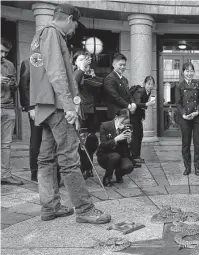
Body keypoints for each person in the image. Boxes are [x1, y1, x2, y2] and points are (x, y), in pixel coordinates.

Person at [29, 4, 110, 224]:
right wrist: (69, 107)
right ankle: (84, 208)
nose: (74, 30)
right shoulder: (54, 34)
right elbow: (57, 73)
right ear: (70, 19)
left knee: (46, 158)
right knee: (69, 158)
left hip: (45, 105)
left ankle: (50, 206)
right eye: (75, 25)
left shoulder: (40, 34)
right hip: (57, 105)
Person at [103, 53, 139, 167]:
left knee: (126, 137)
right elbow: (114, 96)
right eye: (120, 65)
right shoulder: (109, 78)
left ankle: (127, 161)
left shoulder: (124, 79)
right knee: (116, 139)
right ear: (114, 64)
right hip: (115, 114)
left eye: (124, 65)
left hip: (125, 114)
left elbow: (128, 95)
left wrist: (132, 103)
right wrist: (128, 105)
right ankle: (115, 163)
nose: (122, 67)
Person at [73, 51, 100, 179]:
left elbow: (99, 89)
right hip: (80, 112)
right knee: (80, 142)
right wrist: (82, 69)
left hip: (91, 111)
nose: (83, 62)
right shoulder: (74, 73)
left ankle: (88, 167)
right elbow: (74, 84)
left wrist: (93, 77)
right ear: (75, 62)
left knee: (91, 141)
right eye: (80, 59)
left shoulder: (88, 74)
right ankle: (81, 168)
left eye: (85, 59)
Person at [176, 62, 199, 176]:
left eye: (191, 71)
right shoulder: (179, 86)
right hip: (185, 118)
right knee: (186, 143)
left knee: (198, 143)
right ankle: (187, 167)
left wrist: (197, 111)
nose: (189, 73)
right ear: (183, 73)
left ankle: (197, 167)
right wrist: (183, 114)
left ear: (194, 72)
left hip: (198, 117)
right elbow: (178, 103)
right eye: (187, 71)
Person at [1, 37, 23, 185]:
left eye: (5, 52)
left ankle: (5, 174)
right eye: (0, 51)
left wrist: (13, 83)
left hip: (8, 108)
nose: (2, 55)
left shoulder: (9, 65)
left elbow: (15, 88)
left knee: (6, 144)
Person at [97, 109, 134, 186]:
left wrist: (129, 141)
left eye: (126, 123)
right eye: (122, 122)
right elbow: (103, 145)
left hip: (120, 155)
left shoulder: (126, 128)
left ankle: (118, 174)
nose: (123, 125)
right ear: (116, 118)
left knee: (129, 167)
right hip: (105, 155)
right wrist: (116, 139)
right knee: (115, 156)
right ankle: (107, 177)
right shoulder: (105, 126)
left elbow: (128, 151)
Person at [130, 76, 156, 164]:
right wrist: (147, 103)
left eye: (152, 84)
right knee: (136, 136)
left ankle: (137, 156)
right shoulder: (140, 91)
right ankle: (134, 156)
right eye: (148, 84)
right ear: (145, 84)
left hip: (138, 117)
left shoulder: (148, 92)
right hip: (133, 116)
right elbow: (136, 103)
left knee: (139, 135)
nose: (150, 86)